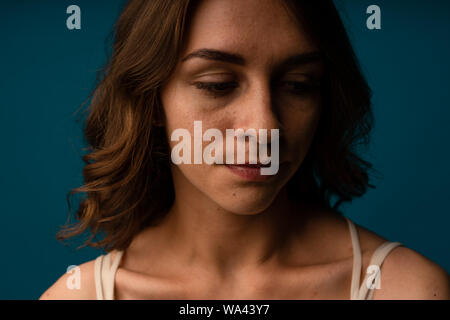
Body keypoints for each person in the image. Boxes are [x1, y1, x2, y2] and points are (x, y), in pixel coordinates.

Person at [40, 0, 449, 300]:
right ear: (151, 100)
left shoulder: (405, 290)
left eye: (298, 85)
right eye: (217, 84)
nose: (265, 127)